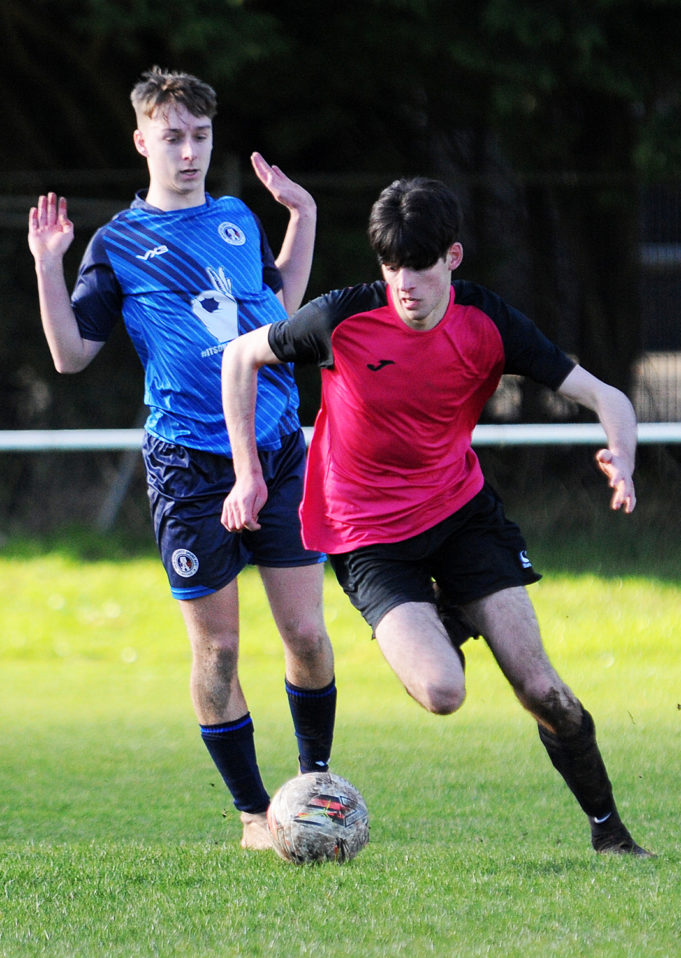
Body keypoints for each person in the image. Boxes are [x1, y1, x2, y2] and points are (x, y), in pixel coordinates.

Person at [221, 175, 652, 856]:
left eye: (418, 267)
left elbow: (607, 397)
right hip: (367, 537)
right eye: (390, 267)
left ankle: (611, 836)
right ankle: (445, 618)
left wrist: (621, 459)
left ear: (451, 257)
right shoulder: (341, 319)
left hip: (461, 517)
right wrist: (247, 475)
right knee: (442, 692)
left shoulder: (487, 322)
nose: (403, 284)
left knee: (543, 690)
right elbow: (240, 355)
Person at [27, 66, 336, 851]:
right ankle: (250, 814)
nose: (189, 152)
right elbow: (68, 356)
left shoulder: (236, 217)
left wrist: (301, 217)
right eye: (172, 138)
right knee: (220, 649)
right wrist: (47, 264)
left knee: (303, 633)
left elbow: (282, 316)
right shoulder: (120, 244)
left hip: (277, 450)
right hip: (189, 464)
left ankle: (314, 789)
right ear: (141, 142)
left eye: (200, 137)